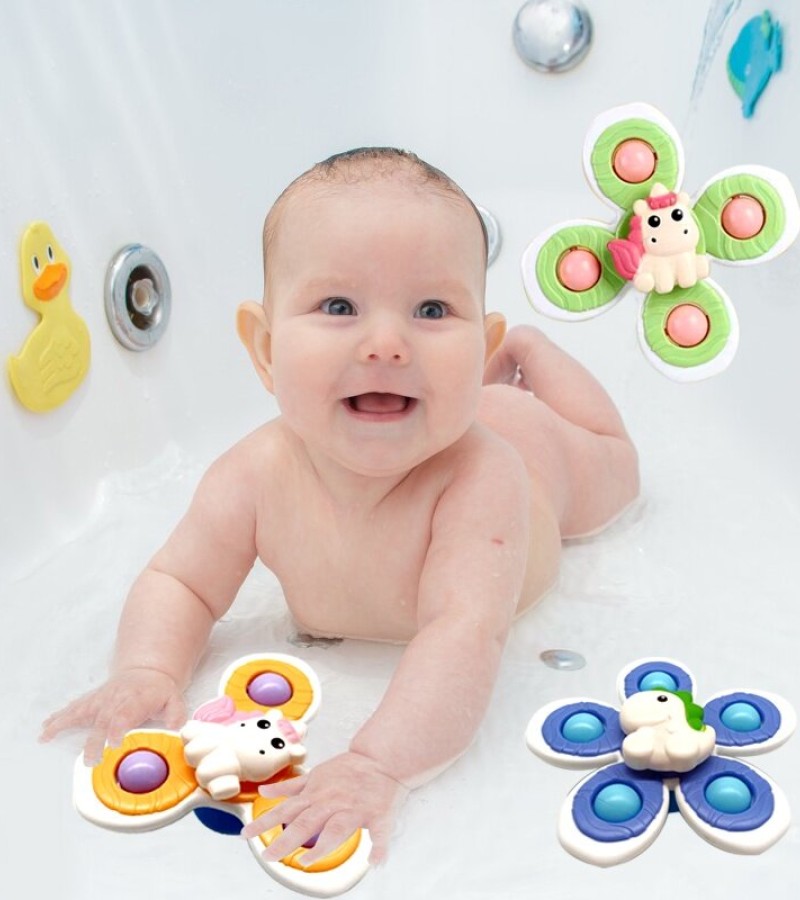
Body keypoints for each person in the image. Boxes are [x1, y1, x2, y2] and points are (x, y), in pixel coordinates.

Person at [40, 148, 639, 867]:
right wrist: (148, 669)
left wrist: (376, 765)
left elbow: (462, 636)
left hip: (540, 454)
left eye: (432, 310)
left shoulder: (486, 478)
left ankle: (527, 354)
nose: (386, 344)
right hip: (465, 408)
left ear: (477, 339)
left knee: (617, 473)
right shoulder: (255, 472)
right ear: (265, 351)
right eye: (338, 307)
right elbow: (182, 581)